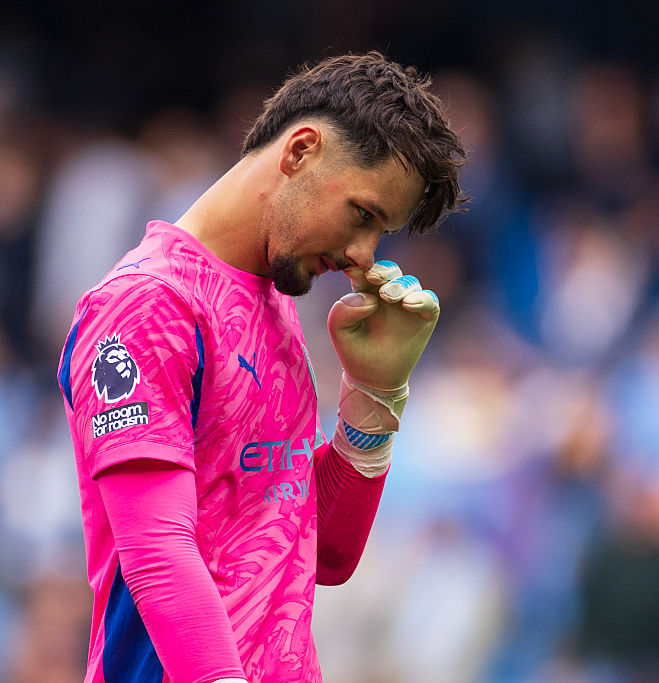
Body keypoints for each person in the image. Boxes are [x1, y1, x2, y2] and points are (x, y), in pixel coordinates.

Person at [57, 52, 466, 683]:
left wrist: (374, 397)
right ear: (301, 150)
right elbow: (157, 554)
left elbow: (320, 551)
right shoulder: (147, 304)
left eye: (381, 234)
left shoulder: (271, 306)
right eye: (363, 215)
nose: (362, 255)